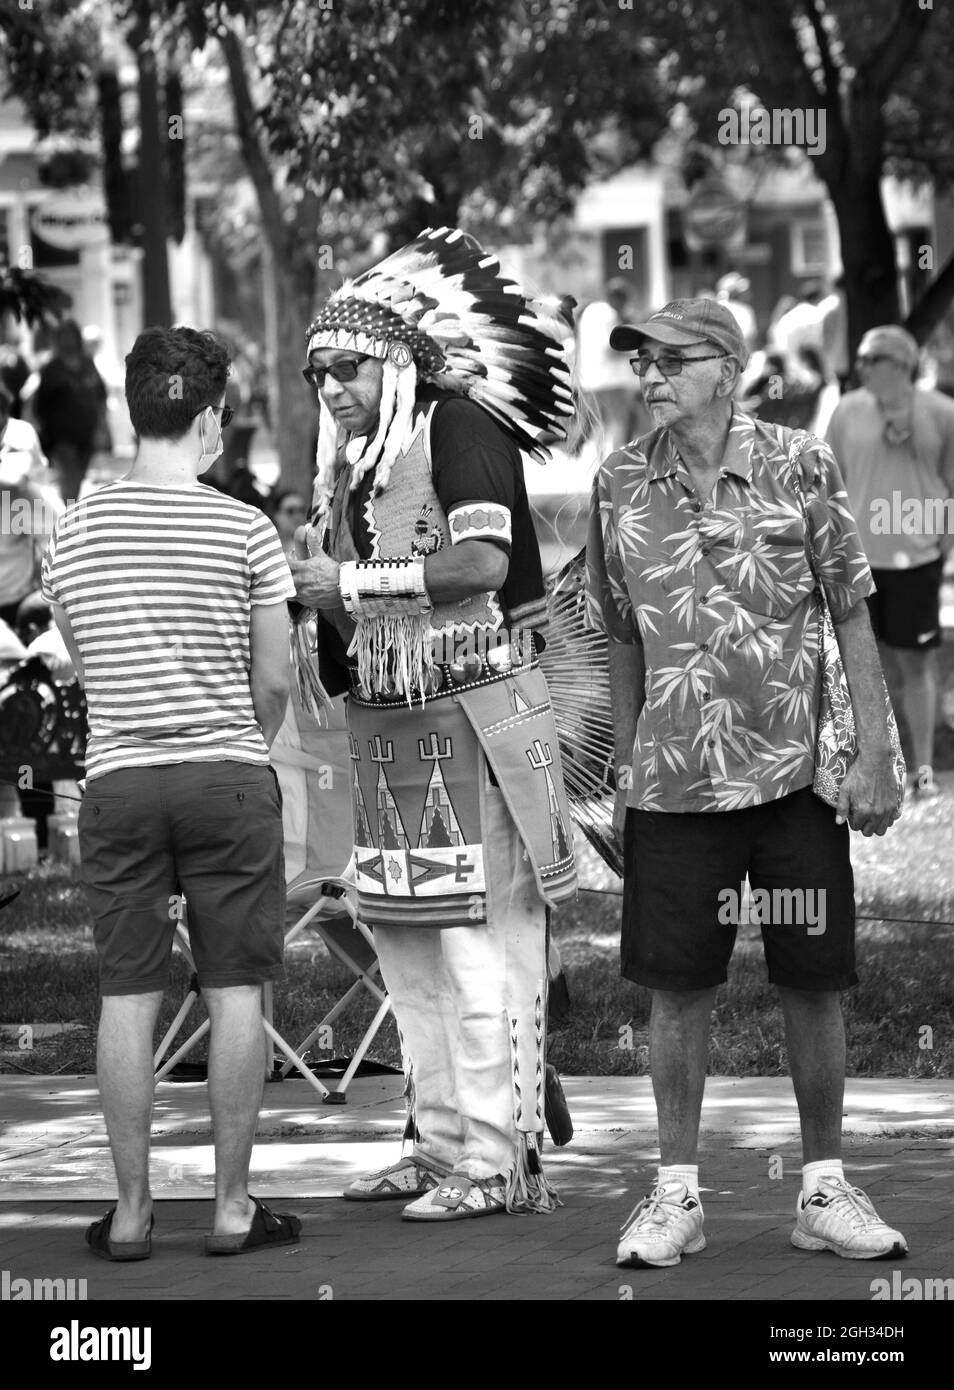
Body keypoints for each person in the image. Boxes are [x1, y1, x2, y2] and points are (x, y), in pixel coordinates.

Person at [586, 296, 907, 1269]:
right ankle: (675, 1193)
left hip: (796, 781)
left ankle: (822, 1188)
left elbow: (852, 612)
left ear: (725, 370)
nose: (647, 376)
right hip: (675, 790)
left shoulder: (800, 464)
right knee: (675, 989)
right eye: (638, 361)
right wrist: (625, 762)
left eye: (667, 360)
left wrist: (879, 752)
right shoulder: (614, 484)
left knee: (815, 982)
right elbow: (619, 631)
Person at [290, 225, 578, 1221]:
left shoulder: (457, 427)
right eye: (317, 371)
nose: (329, 386)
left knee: (477, 944)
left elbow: (485, 567)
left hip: (477, 723)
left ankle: (501, 1159)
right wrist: (324, 598)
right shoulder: (359, 462)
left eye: (347, 366)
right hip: (389, 730)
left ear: (399, 361)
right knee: (404, 939)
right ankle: (437, 1137)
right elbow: (354, 608)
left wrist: (352, 580)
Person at [40, 325, 301, 1259]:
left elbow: (79, 657)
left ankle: (133, 1211)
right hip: (226, 777)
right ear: (209, 419)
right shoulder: (244, 529)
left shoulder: (72, 530)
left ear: (133, 407)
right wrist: (243, 749)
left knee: (127, 994)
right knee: (236, 988)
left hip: (117, 782)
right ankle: (232, 1207)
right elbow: (274, 679)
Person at [827, 325, 954, 800]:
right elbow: (828, 480)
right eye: (860, 359)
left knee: (917, 665)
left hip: (916, 559)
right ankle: (867, 768)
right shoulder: (847, 410)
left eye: (872, 359)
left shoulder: (942, 412)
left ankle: (922, 770)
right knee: (860, 668)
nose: (861, 367)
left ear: (901, 365)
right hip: (858, 560)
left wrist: (944, 538)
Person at [32, 319, 108, 504]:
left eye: (71, 336)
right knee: (69, 482)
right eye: (64, 337)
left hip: (87, 436)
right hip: (62, 438)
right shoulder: (51, 370)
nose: (69, 341)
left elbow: (100, 396)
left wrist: (102, 426)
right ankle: (69, 521)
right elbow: (40, 406)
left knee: (78, 479)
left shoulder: (88, 364)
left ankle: (69, 517)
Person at [577, 279, 648, 452]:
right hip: (611, 380)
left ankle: (601, 464)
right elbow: (611, 347)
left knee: (600, 426)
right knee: (619, 422)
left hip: (590, 380)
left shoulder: (590, 311)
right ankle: (615, 463)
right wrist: (632, 351)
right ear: (619, 299)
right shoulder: (608, 314)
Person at [715, 271, 757, 350]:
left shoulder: (715, 307)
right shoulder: (745, 310)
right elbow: (749, 340)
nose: (748, 293)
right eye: (740, 292)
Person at [269, 487, 309, 560]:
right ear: (277, 515)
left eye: (301, 510)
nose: (298, 516)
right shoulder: (266, 548)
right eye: (290, 511)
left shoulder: (313, 549)